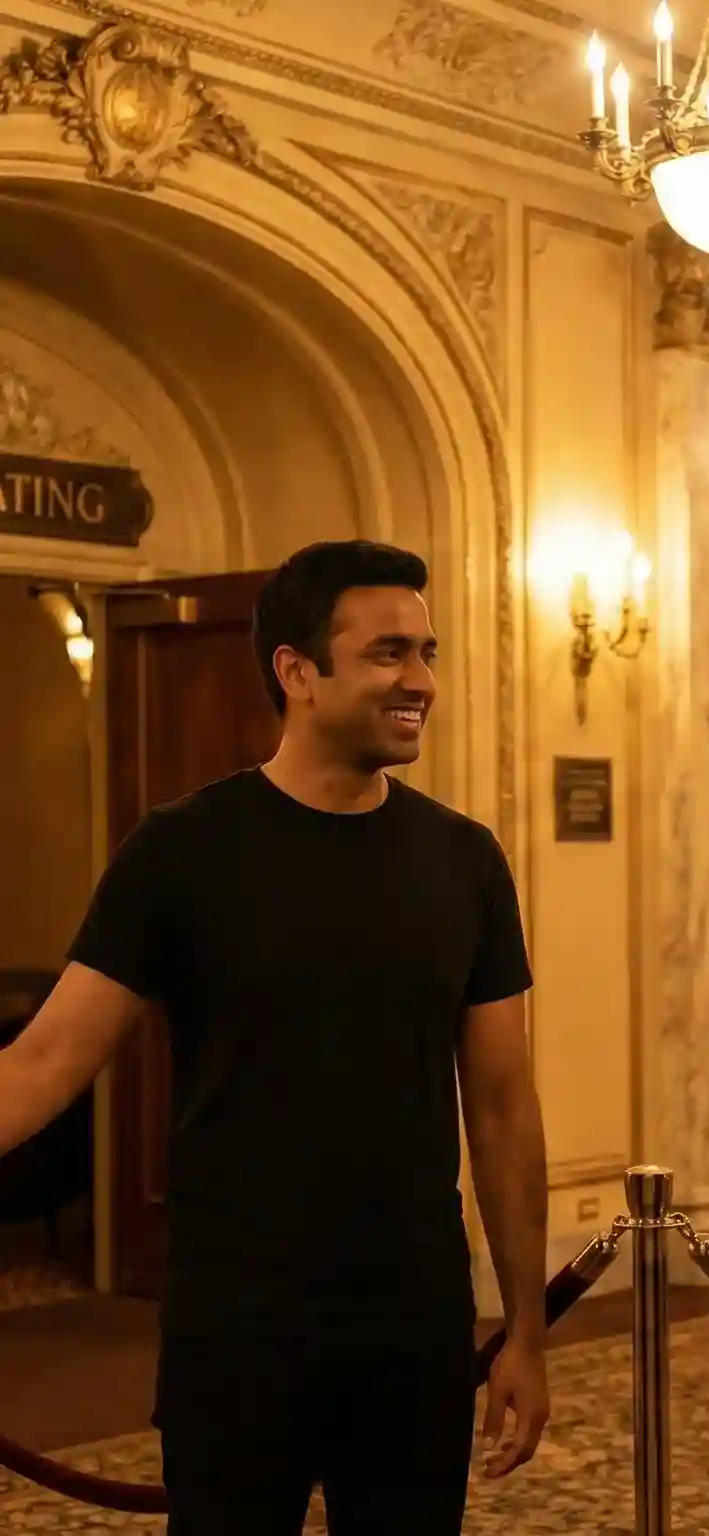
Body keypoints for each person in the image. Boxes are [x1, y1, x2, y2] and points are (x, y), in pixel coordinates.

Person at [0, 541, 550, 1535]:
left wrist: (526, 1331)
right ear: (298, 672)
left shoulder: (465, 862)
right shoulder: (183, 853)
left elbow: (504, 1105)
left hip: (413, 1330)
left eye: (428, 652)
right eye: (388, 654)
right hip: (237, 1334)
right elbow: (41, 1064)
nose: (421, 681)